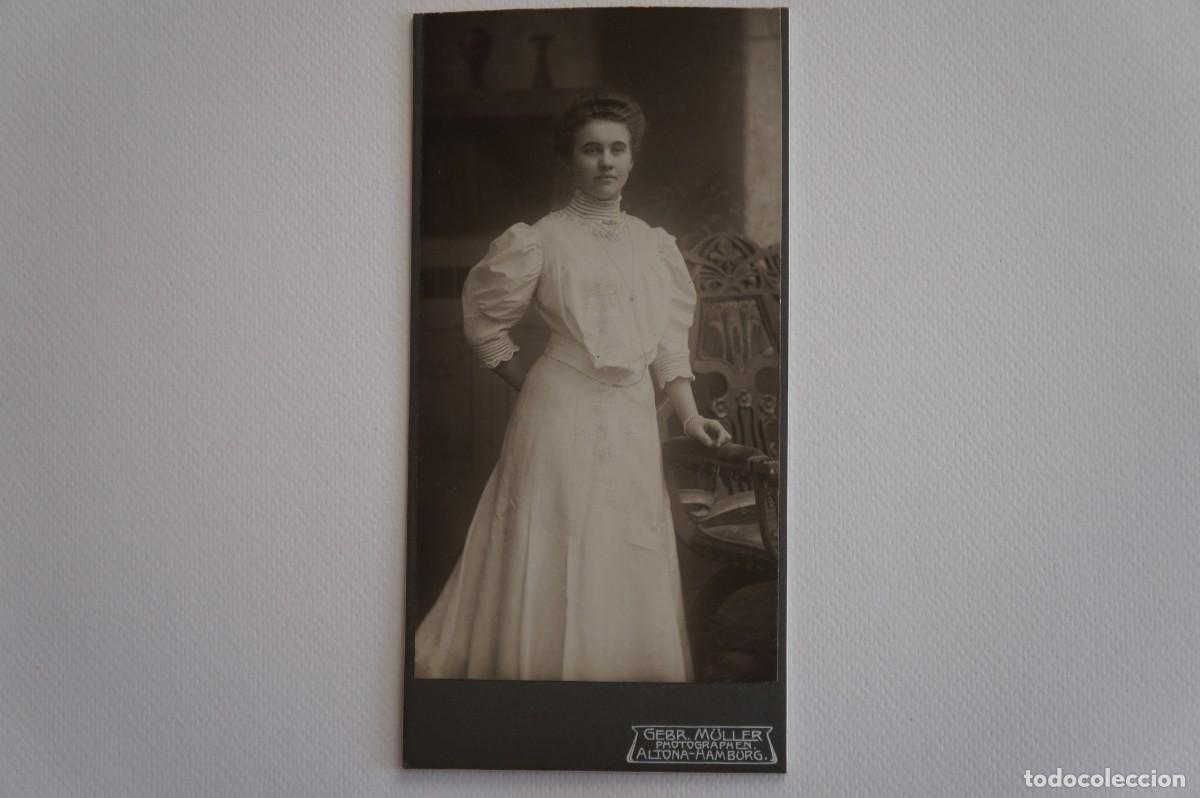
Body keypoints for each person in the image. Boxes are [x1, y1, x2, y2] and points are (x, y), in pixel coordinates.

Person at [414, 91, 731, 682]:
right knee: (553, 539)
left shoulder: (654, 246)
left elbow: (668, 347)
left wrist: (690, 418)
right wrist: (534, 383)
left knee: (623, 542)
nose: (605, 162)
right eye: (591, 150)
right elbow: (486, 325)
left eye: (617, 149)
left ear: (633, 159)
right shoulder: (539, 240)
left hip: (632, 416)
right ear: (570, 160)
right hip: (557, 411)